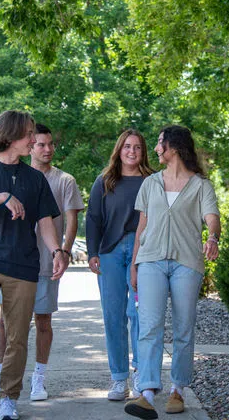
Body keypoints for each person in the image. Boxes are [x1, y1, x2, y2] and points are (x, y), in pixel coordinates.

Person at [0, 110, 70, 420]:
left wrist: (57, 250)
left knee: (18, 337)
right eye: (28, 134)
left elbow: (45, 220)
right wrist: (3, 196)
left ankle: (8, 398)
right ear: (9, 135)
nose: (33, 140)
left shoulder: (36, 179)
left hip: (23, 269)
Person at [0, 123, 84, 404]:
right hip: (14, 261)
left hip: (46, 260)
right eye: (40, 144)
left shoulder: (64, 181)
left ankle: (38, 378)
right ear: (29, 145)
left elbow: (71, 219)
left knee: (43, 320)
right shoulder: (14, 176)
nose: (47, 149)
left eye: (50, 144)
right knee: (6, 324)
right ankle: (0, 380)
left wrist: (63, 250)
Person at [124, 125, 220, 420]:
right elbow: (142, 225)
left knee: (183, 326)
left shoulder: (201, 185)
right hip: (151, 260)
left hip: (186, 263)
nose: (155, 149)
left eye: (159, 144)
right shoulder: (150, 183)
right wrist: (135, 263)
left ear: (173, 147)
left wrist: (212, 237)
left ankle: (178, 389)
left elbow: (212, 218)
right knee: (149, 324)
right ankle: (148, 392)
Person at [86, 129, 154, 401]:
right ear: (119, 149)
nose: (132, 151)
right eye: (127, 146)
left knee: (137, 312)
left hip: (143, 253)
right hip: (111, 252)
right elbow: (93, 218)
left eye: (137, 147)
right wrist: (92, 252)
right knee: (113, 315)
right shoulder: (105, 181)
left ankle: (140, 373)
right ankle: (118, 379)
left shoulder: (152, 181)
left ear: (143, 151)